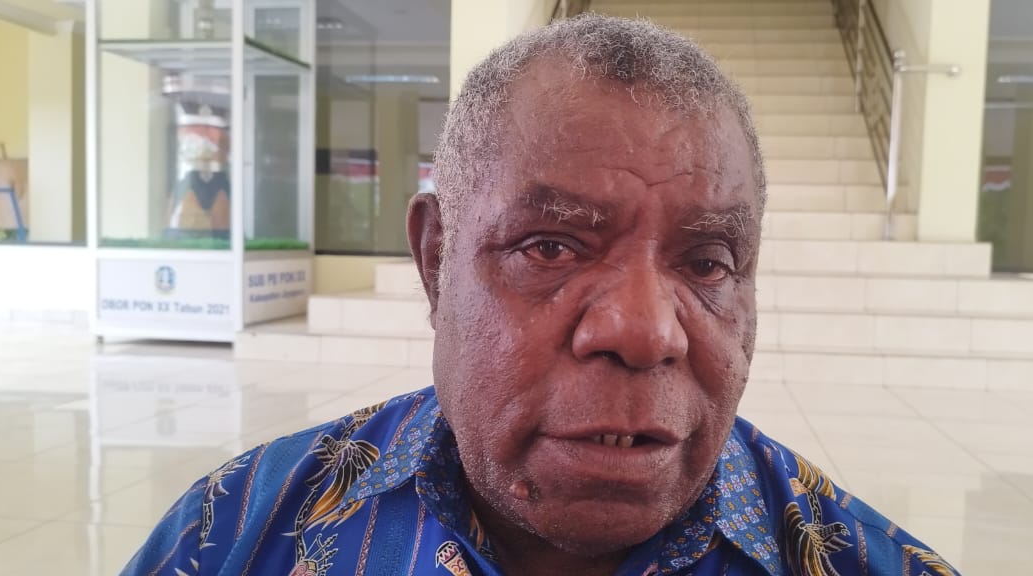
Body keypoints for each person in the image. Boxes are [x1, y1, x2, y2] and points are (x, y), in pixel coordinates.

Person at [124, 14, 958, 576]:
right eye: (550, 247)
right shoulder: (233, 536)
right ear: (435, 261)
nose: (645, 330)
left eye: (707, 262)